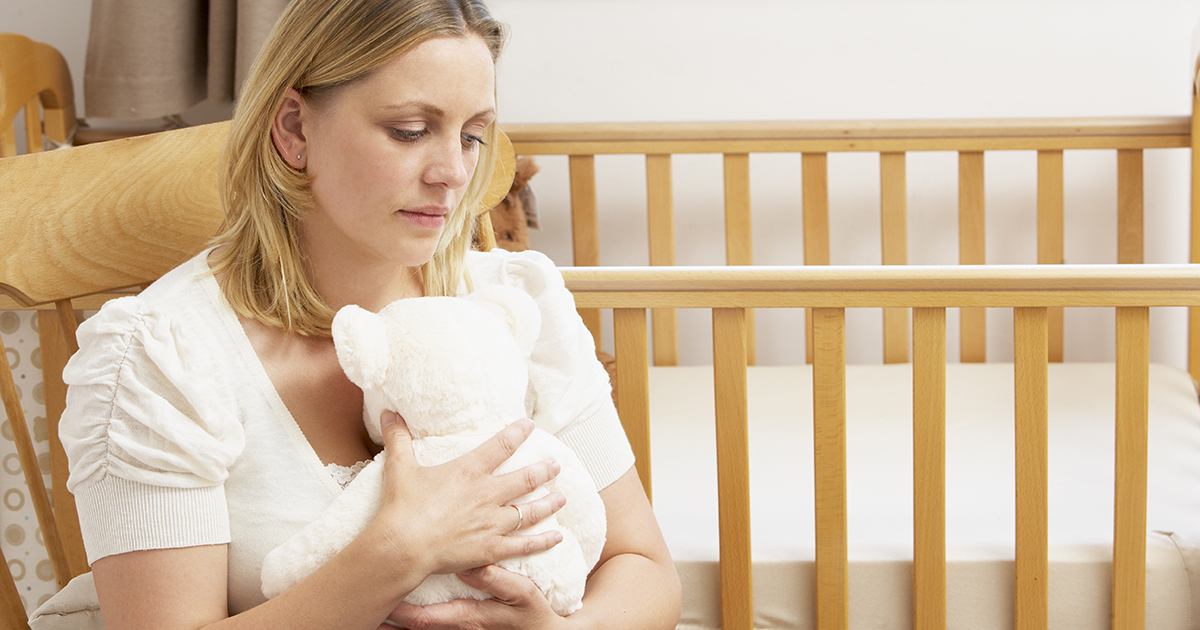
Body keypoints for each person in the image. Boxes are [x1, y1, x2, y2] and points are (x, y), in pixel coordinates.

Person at [58, 1, 682, 628]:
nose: (453, 173)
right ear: (295, 130)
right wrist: (400, 551)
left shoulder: (513, 301)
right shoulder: (162, 357)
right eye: (409, 131)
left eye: (471, 137)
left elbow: (645, 569)